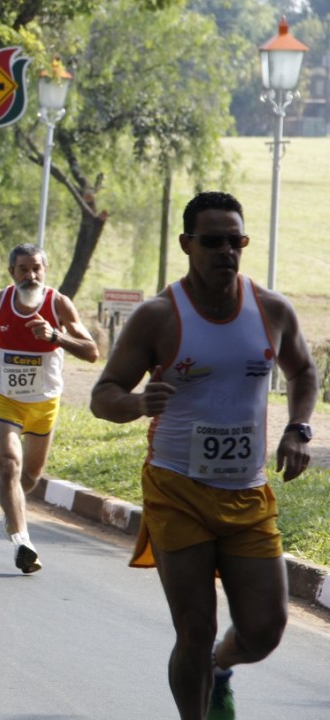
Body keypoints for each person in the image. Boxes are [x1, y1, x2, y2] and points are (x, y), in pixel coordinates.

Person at [89, 191, 317, 720]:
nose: (225, 252)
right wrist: (137, 402)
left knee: (264, 630)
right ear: (187, 244)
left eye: (234, 241)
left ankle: (219, 667)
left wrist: (298, 428)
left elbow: (303, 371)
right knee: (194, 628)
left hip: (247, 492)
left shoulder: (272, 311)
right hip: (177, 491)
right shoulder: (159, 316)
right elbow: (104, 395)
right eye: (212, 242)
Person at [0, 243, 99, 573]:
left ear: (45, 271)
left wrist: (56, 336)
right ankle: (22, 541)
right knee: (9, 464)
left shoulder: (58, 303)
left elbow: (92, 351)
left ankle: (11, 509)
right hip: (3, 397)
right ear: (12, 273)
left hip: (44, 402)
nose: (31, 275)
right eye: (23, 269)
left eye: (36, 268)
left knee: (30, 478)